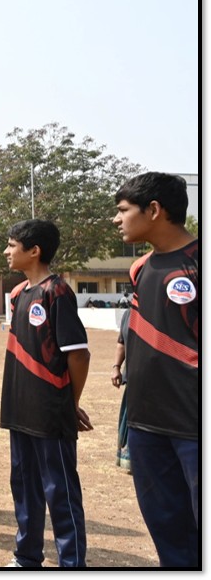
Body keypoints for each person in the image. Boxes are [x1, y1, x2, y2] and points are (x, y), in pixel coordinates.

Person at [113, 172, 199, 568]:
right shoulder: (140, 269)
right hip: (147, 425)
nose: (117, 219)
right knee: (168, 530)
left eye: (123, 210)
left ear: (153, 210)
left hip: (195, 428)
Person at [0, 220, 91, 568]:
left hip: (51, 410)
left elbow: (78, 353)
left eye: (12, 245)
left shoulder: (57, 291)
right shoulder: (17, 294)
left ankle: (71, 564)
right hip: (19, 408)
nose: (7, 252)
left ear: (34, 251)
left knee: (61, 492)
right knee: (24, 487)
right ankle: (26, 557)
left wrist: (71, 402)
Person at [111, 304, 132, 473]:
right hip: (134, 380)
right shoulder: (129, 314)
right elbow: (121, 342)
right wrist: (116, 367)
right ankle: (130, 457)